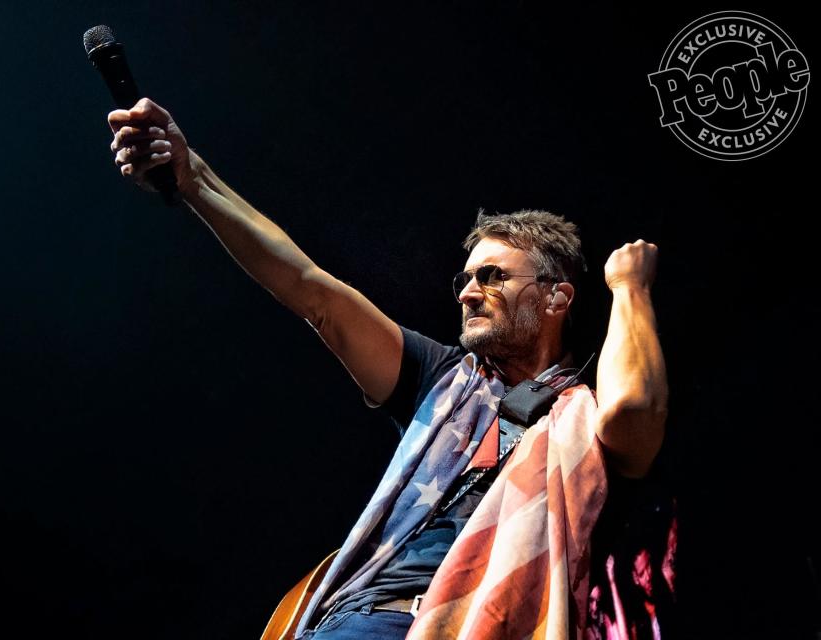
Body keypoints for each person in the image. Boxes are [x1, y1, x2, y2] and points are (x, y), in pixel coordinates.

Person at [105, 98, 668, 639]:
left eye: (493, 276)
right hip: (372, 619)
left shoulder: (587, 421)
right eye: (465, 279)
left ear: (557, 299)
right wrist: (193, 177)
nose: (468, 294)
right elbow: (311, 290)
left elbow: (634, 408)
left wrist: (629, 286)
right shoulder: (444, 379)